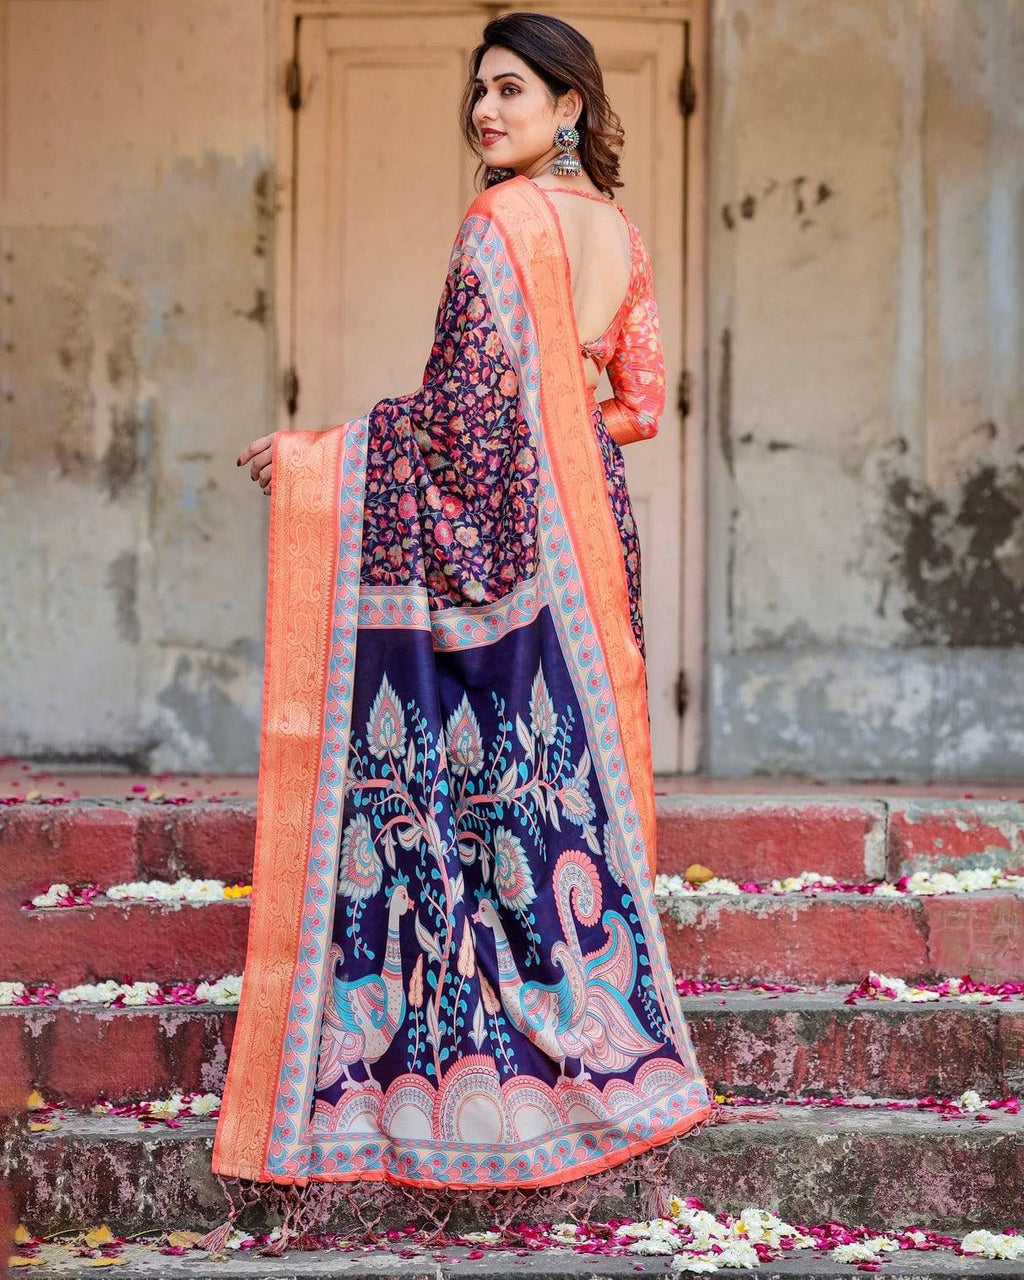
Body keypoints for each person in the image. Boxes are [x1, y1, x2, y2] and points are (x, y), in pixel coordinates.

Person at [205, 10, 722, 1250]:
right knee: (561, 787)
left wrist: (319, 459)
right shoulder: (621, 234)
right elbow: (636, 403)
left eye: (511, 91)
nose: (486, 113)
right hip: (586, 529)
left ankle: (482, 1077)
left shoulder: (502, 222)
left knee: (485, 786)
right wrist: (554, 424)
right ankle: (610, 1047)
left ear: (568, 109)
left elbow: (455, 421)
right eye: (478, 92)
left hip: (510, 528)